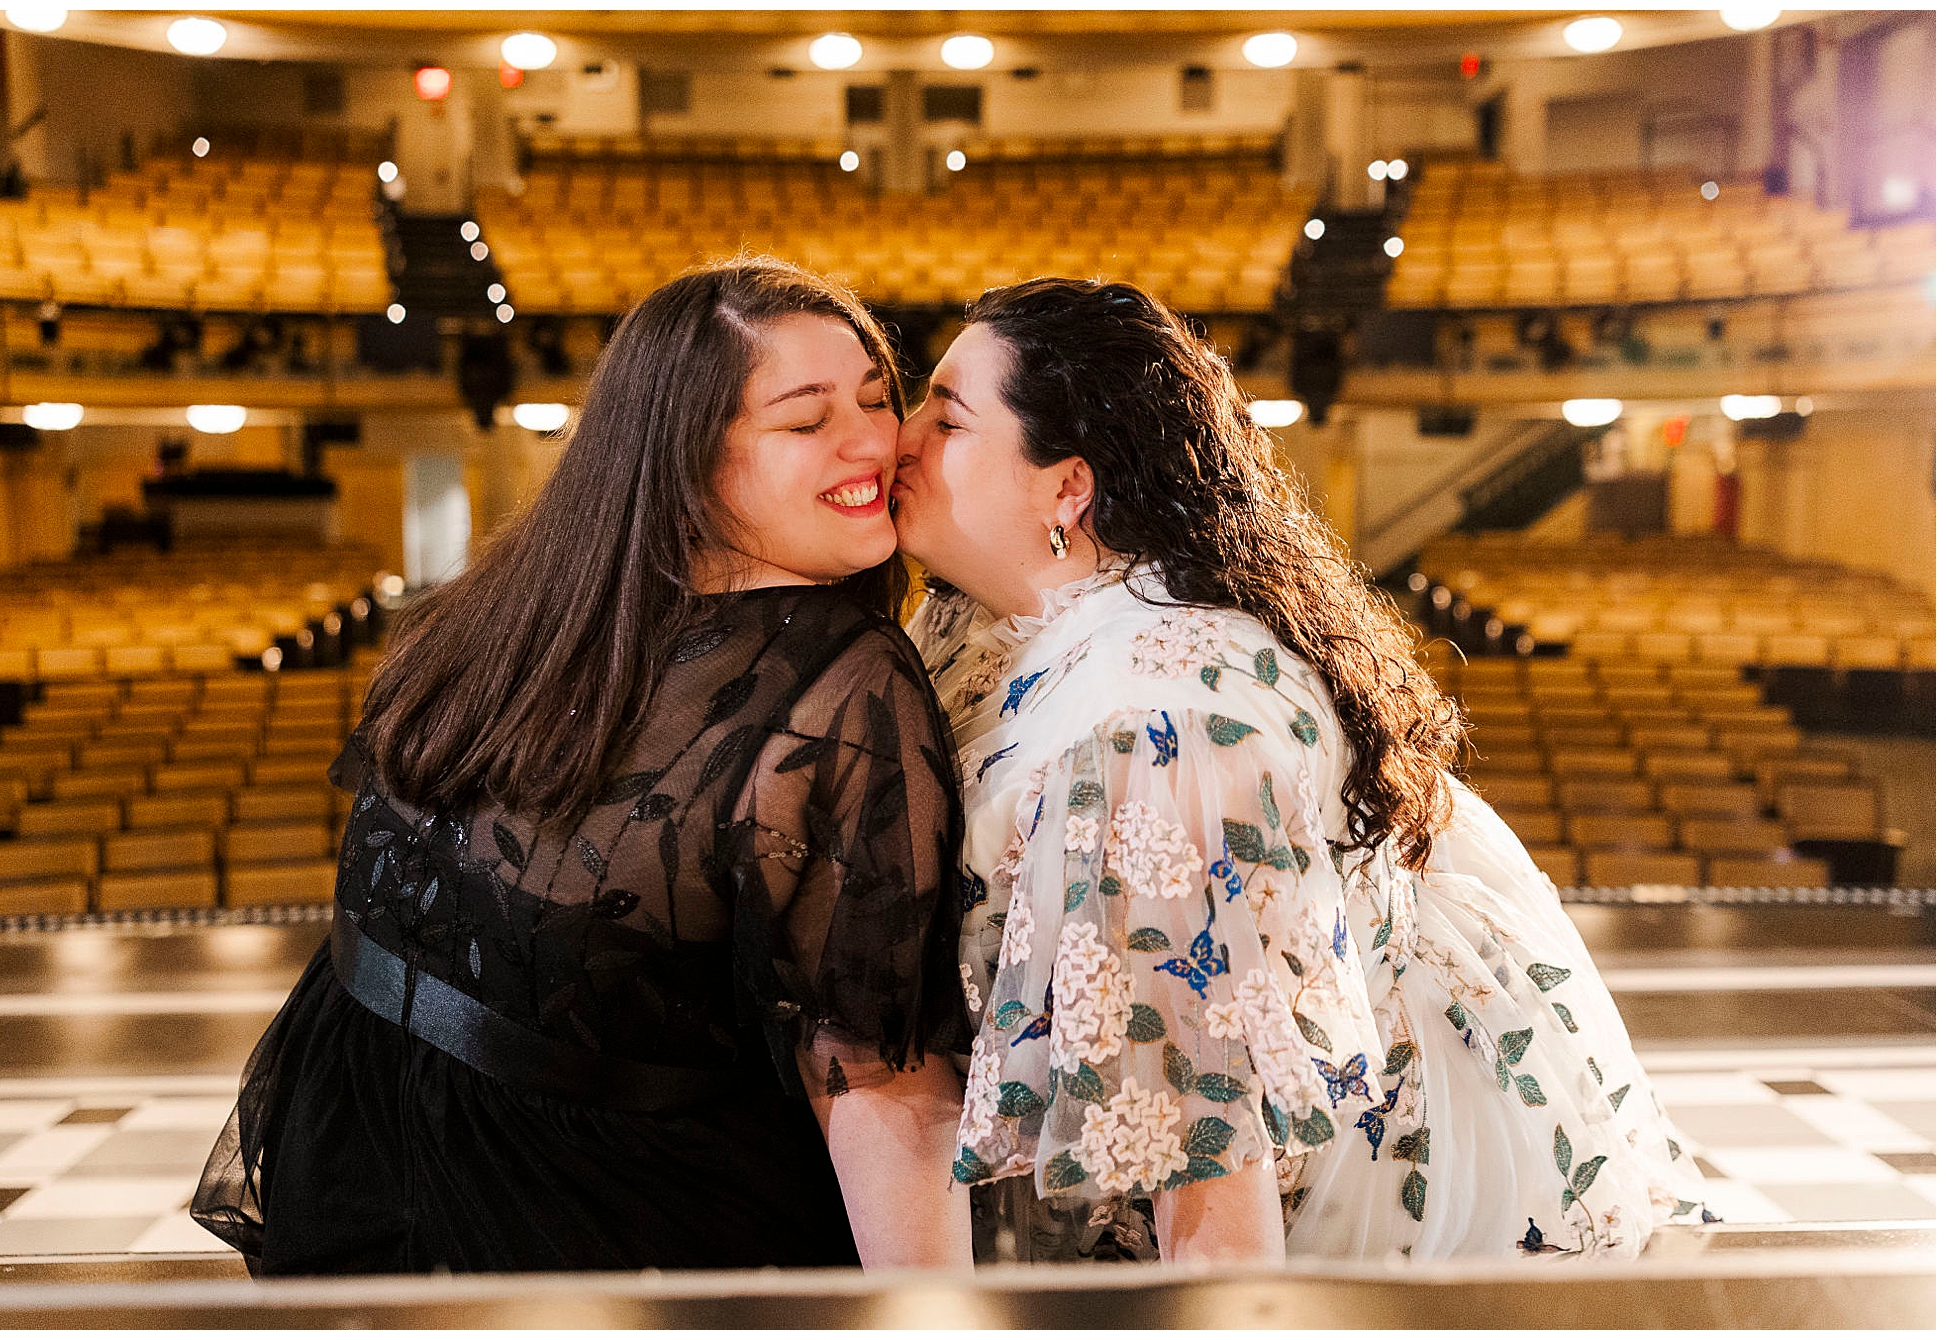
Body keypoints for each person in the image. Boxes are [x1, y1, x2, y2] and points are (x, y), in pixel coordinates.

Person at [890, 277, 1708, 1265]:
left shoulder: (1161, 718)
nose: (900, 438)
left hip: (1308, 1218)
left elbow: (1209, 1160)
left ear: (1066, 486)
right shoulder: (990, 624)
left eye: (945, 415)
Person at [193, 258, 972, 1275]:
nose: (876, 439)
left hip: (354, 1161)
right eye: (804, 419)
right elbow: (879, 1079)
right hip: (586, 1217)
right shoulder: (843, 679)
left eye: (878, 397)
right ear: (686, 456)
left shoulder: (506, 606)